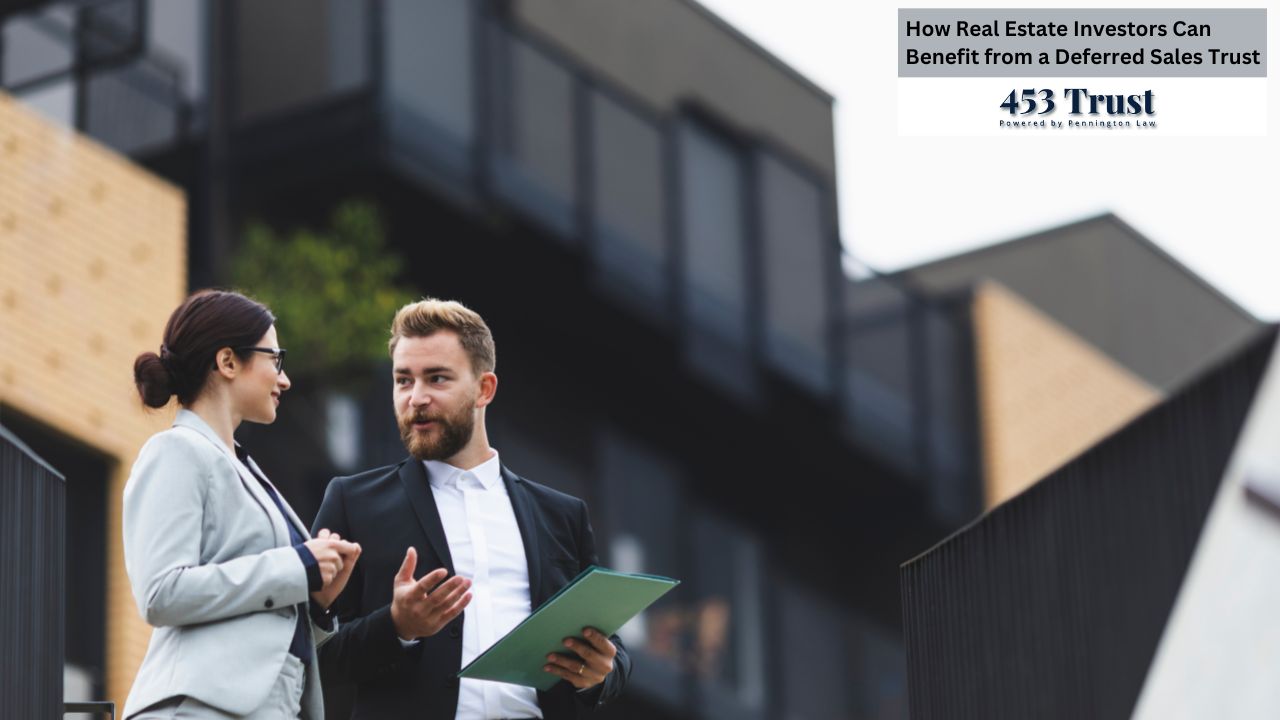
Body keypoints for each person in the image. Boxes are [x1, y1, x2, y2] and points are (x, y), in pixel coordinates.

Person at [313, 299, 630, 719]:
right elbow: (310, 653)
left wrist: (601, 672)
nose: (416, 397)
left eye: (437, 378)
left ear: (484, 389)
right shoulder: (353, 502)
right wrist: (396, 627)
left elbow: (611, 651)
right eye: (403, 380)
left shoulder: (561, 515)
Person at [122, 289, 362, 719]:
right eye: (276, 359)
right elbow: (160, 592)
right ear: (228, 362)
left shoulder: (244, 469)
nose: (285, 380)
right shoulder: (176, 450)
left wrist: (316, 600)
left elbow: (263, 632)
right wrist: (297, 566)